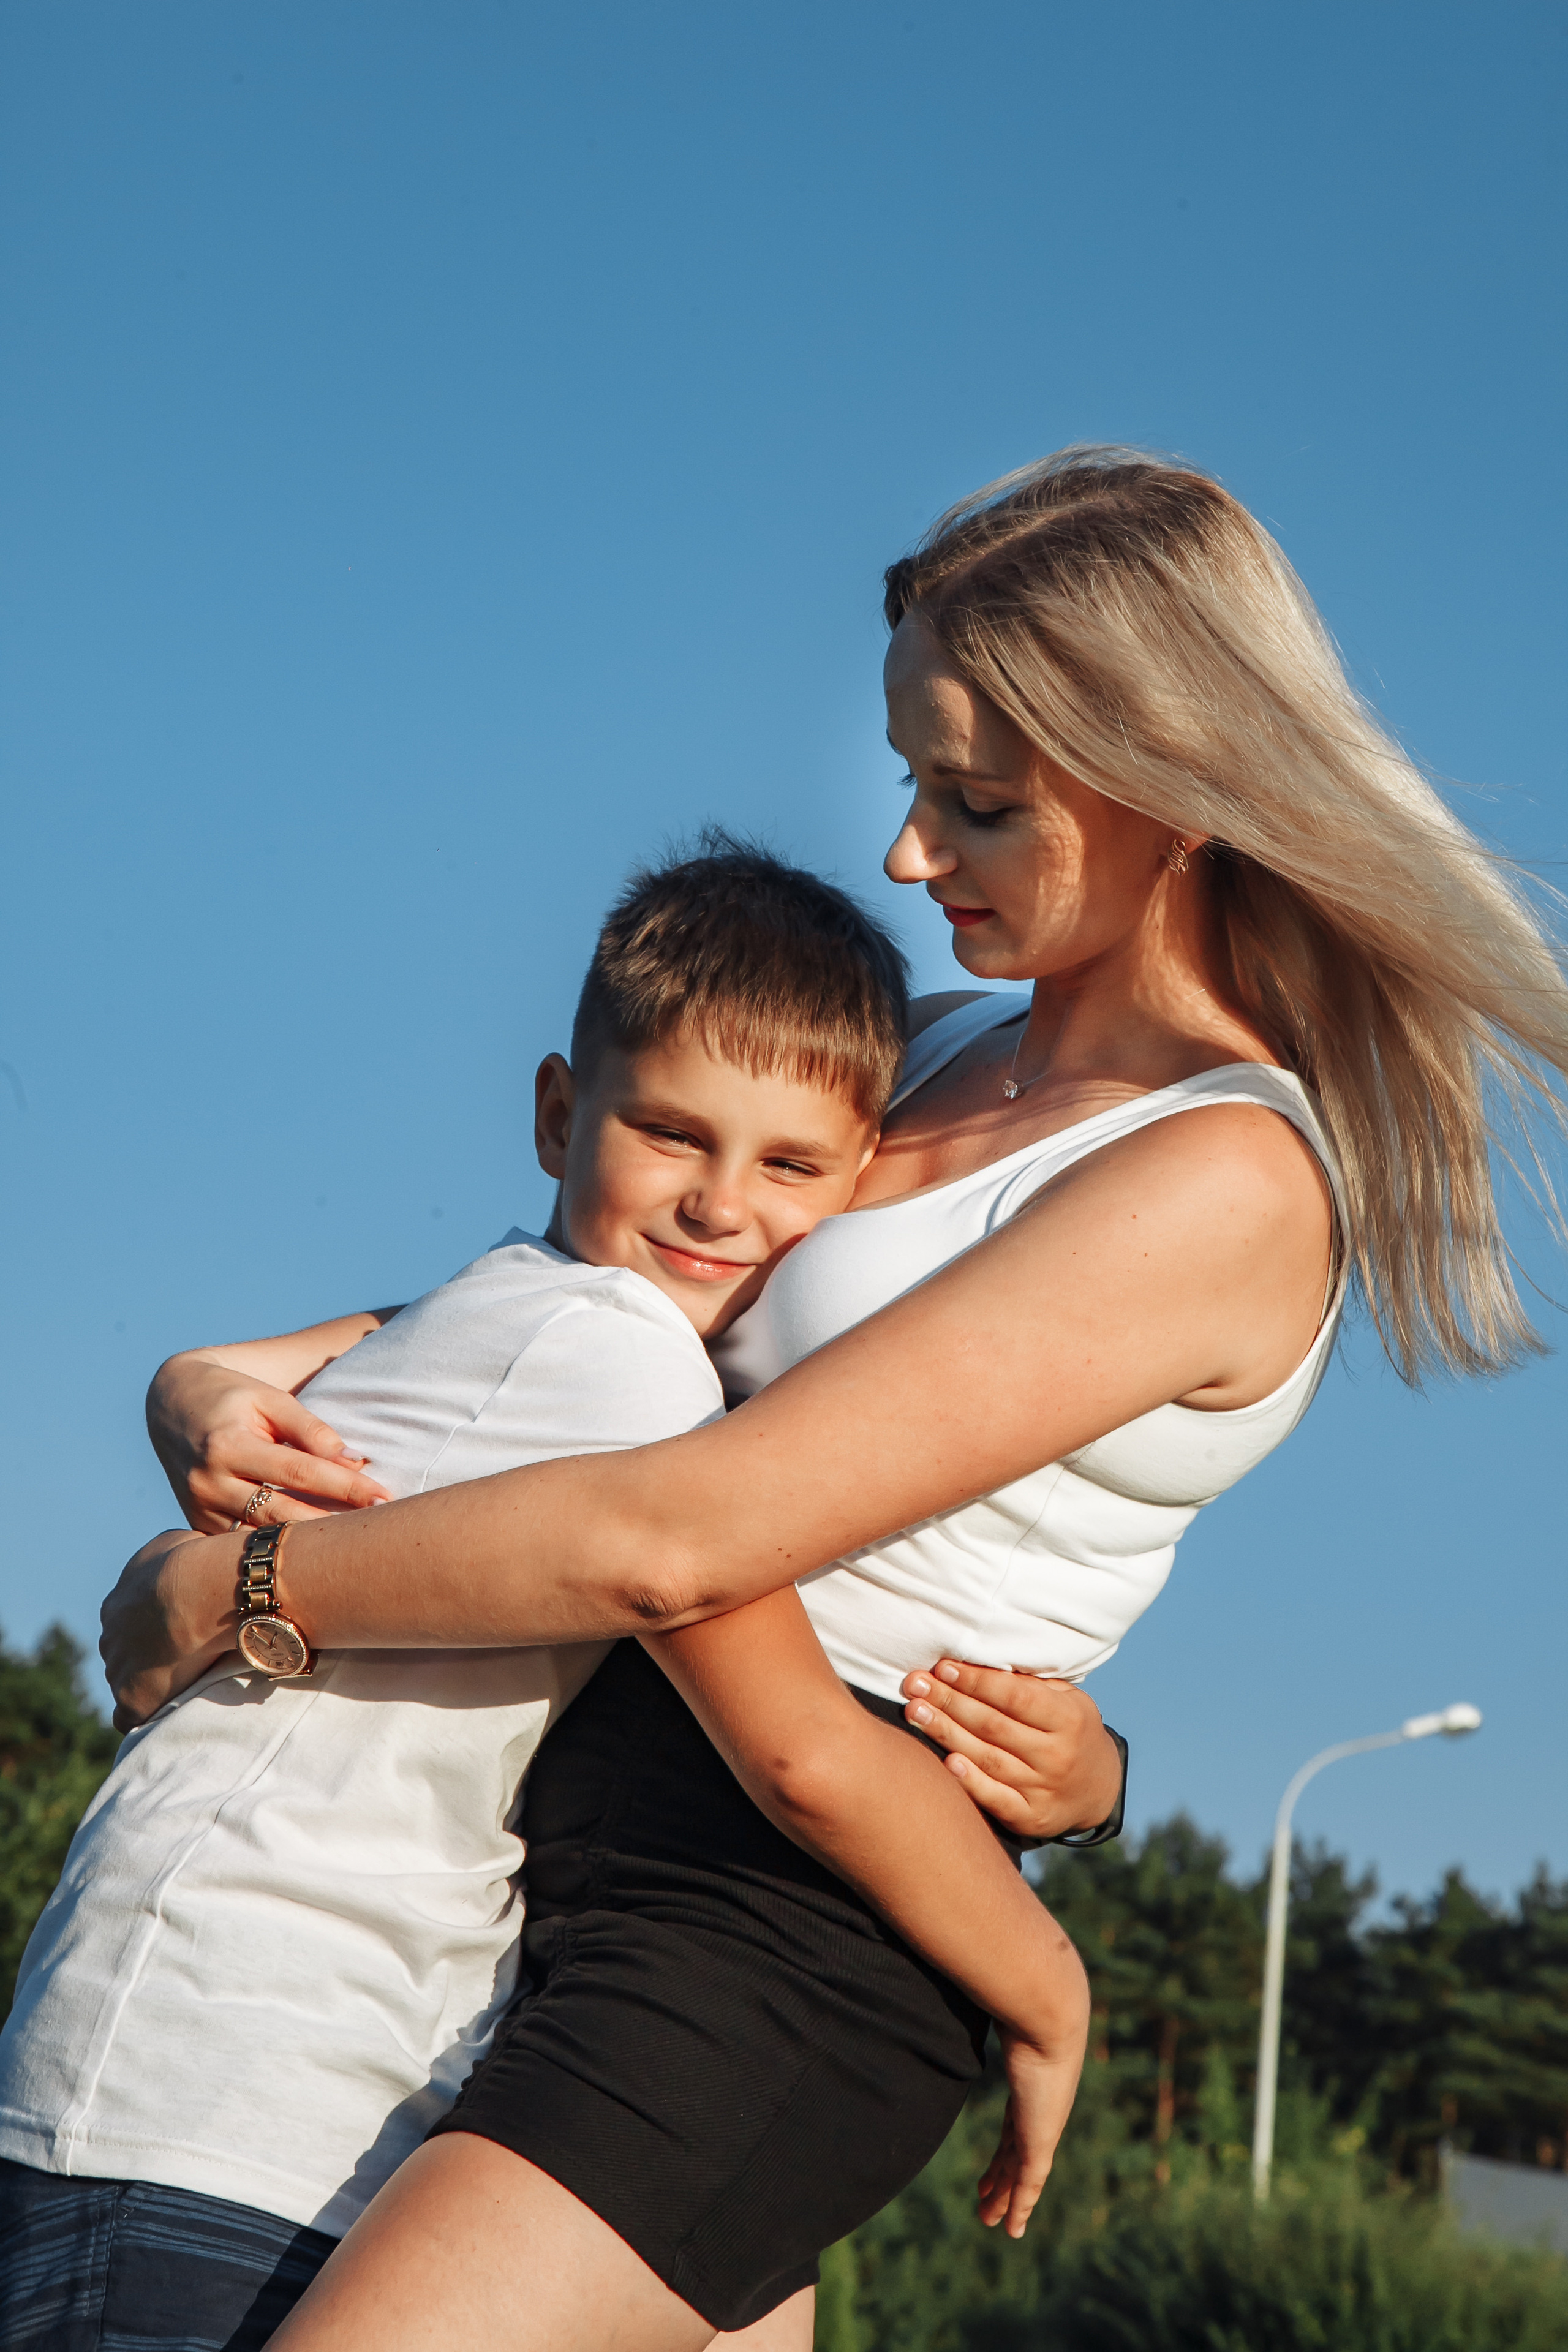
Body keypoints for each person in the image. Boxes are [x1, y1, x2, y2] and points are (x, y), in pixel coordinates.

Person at [105, 447, 1568, 2351]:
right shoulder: (947, 1047)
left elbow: (677, 1528)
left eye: (972, 801)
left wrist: (238, 1597)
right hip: (563, 1839)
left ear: (1177, 793)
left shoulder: (1221, 1180)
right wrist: (227, 1376)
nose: (902, 857)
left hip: (781, 1922)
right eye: (909, 787)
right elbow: (620, 1302)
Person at [0, 842, 1109, 2352]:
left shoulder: (540, 1316)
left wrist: (184, 1397)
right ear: (553, 1115)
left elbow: (241, 1368)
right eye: (670, 1135)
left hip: (215, 2066)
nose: (721, 1206)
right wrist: (1040, 1987)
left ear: (856, 1185)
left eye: (788, 1168)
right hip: (231, 2075)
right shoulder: (624, 1368)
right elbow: (801, 1748)